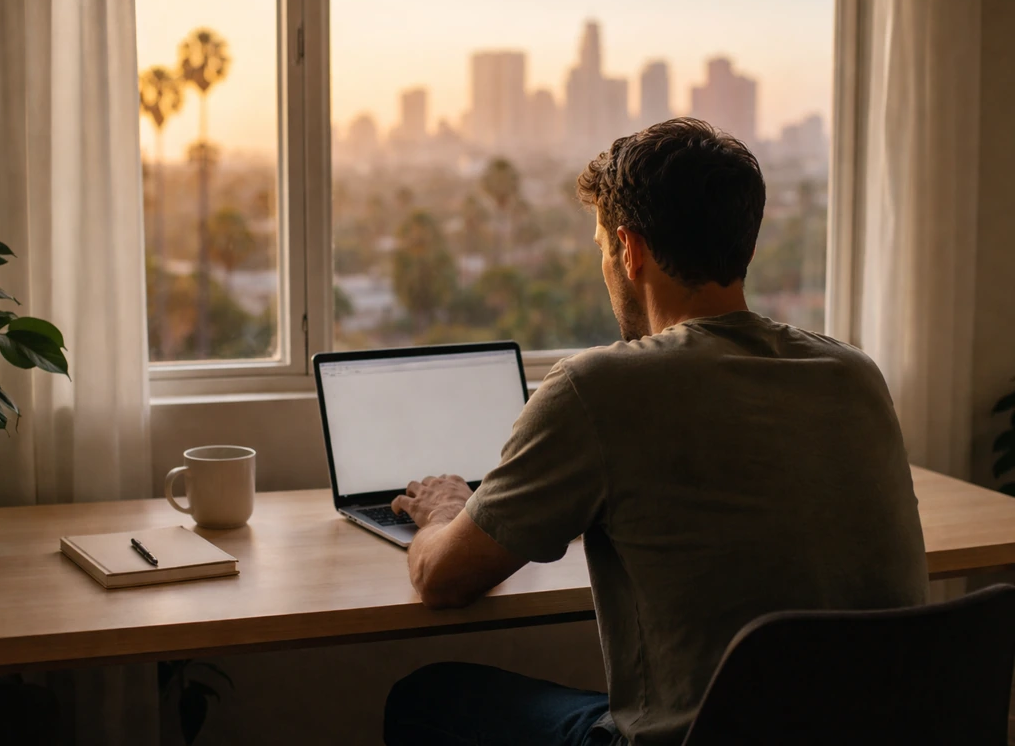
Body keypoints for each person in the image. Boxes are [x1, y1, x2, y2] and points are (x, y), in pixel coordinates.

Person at [382, 118, 929, 746]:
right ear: (743, 247)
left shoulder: (599, 389)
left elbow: (441, 580)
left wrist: (444, 512)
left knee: (426, 698)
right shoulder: (855, 374)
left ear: (630, 250)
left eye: (601, 250)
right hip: (883, 731)